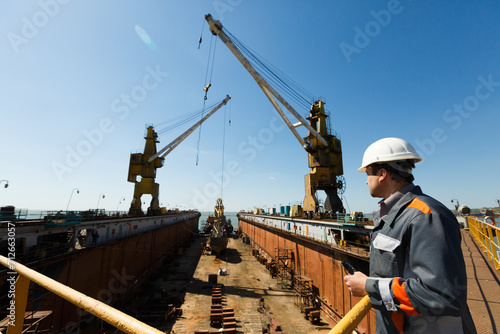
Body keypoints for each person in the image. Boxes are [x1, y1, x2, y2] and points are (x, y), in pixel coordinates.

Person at [344, 137, 476, 333]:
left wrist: (368, 287)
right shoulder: (398, 214)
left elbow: (442, 296)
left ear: (382, 174)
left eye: (368, 173)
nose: (365, 180)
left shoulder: (426, 217)